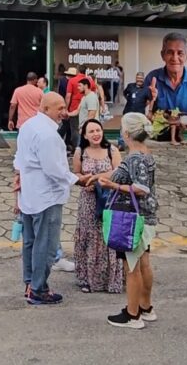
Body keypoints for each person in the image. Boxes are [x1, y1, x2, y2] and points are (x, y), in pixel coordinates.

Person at [13, 92, 78, 305]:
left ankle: (30, 283)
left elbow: (19, 158)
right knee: (47, 245)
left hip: (29, 194)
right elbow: (54, 170)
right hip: (46, 197)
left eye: (64, 107)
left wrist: (18, 176)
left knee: (30, 242)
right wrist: (77, 180)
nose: (64, 112)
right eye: (60, 108)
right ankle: (38, 289)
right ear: (46, 108)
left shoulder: (28, 126)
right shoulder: (48, 135)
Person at [99, 113, 159, 328]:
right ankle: (146, 307)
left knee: (131, 267)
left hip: (133, 219)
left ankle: (133, 315)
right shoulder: (145, 154)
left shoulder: (134, 158)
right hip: (147, 216)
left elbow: (140, 188)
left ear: (126, 134)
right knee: (144, 263)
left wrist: (113, 186)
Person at [71, 119, 124, 294]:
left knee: (107, 236)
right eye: (91, 131)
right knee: (88, 236)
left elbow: (119, 172)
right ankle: (86, 279)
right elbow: (76, 173)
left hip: (109, 200)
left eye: (98, 130)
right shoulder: (80, 152)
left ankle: (111, 279)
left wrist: (97, 178)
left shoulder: (112, 150)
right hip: (88, 201)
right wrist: (84, 181)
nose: (96, 134)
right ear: (85, 135)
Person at [65, 66, 95, 149]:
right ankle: (83, 147)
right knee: (85, 128)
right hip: (87, 108)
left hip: (74, 107)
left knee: (75, 129)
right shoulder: (90, 81)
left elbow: (68, 96)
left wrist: (66, 109)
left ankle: (78, 148)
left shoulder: (72, 80)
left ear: (77, 71)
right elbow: (95, 92)